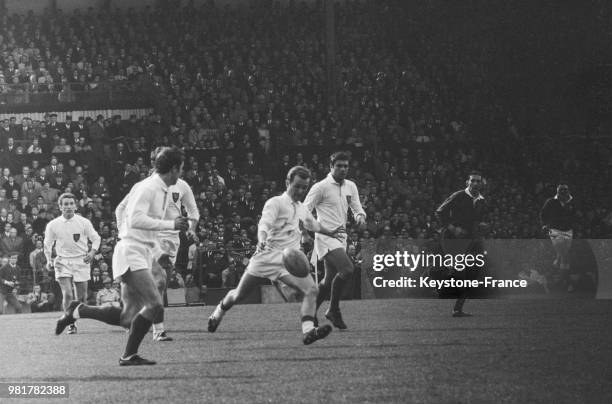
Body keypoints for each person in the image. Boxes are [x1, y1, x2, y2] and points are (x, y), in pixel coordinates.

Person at [54, 147, 190, 366]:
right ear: (173, 169)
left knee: (127, 317)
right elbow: (135, 219)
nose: (182, 173)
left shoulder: (160, 188)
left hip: (141, 250)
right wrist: (171, 224)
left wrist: (157, 252)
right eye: (181, 169)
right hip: (131, 251)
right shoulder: (149, 188)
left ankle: (79, 310)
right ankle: (128, 355)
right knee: (155, 304)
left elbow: (145, 228)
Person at [207, 166, 345, 345]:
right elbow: (264, 224)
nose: (300, 191)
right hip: (266, 257)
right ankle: (219, 311)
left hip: (288, 260)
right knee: (239, 295)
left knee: (311, 290)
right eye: (297, 186)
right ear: (287, 183)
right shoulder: (275, 203)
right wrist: (261, 239)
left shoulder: (302, 208)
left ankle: (308, 331)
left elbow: (313, 225)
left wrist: (331, 232)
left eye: (304, 187)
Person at [114, 147, 199, 342]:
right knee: (158, 281)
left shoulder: (181, 186)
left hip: (169, 239)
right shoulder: (145, 187)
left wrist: (191, 228)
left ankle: (133, 322)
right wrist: (123, 233)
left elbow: (193, 211)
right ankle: (157, 329)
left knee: (157, 283)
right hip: (146, 238)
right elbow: (122, 209)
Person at [303, 152, 366, 329]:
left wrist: (360, 217)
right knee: (347, 269)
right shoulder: (321, 187)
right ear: (331, 167)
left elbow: (356, 207)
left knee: (328, 279)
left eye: (345, 166)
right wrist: (306, 233)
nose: (343, 169)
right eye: (339, 166)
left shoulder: (351, 186)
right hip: (325, 237)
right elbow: (304, 211)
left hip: (341, 238)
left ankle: (309, 312)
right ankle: (333, 310)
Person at [44, 193, 101, 333]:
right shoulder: (53, 224)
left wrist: (92, 253)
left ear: (75, 206)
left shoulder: (84, 222)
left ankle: (72, 319)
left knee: (81, 298)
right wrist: (48, 260)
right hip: (62, 261)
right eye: (65, 204)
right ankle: (70, 325)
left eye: (71, 204)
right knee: (68, 294)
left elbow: (96, 239)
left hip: (81, 261)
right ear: (60, 207)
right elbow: (47, 244)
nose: (68, 206)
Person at [434, 171, 487, 317]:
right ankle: (435, 281)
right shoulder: (458, 196)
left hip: (470, 240)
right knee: (457, 272)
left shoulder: (482, 201)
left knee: (472, 273)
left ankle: (458, 308)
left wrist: (481, 226)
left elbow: (478, 220)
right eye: (473, 181)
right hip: (452, 238)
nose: (475, 183)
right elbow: (439, 212)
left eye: (478, 181)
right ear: (467, 182)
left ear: (481, 184)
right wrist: (453, 227)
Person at [540, 183, 575, 289]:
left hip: (568, 230)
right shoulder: (551, 202)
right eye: (561, 190)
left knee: (564, 255)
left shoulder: (573, 201)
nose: (563, 192)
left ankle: (558, 266)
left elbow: (576, 213)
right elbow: (543, 213)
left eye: (565, 190)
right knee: (563, 252)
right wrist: (544, 224)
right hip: (554, 229)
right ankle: (565, 281)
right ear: (558, 191)